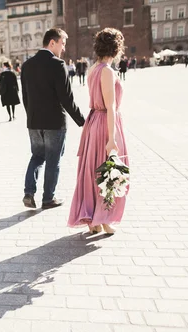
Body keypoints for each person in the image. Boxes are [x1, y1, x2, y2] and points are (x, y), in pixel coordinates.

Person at [68, 28, 129, 235]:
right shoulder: (107, 71)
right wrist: (112, 139)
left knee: (93, 170)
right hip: (104, 122)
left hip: (94, 120)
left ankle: (94, 219)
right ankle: (103, 218)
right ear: (117, 48)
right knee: (108, 169)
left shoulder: (93, 68)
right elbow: (110, 106)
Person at [20, 28, 85, 210]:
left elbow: (25, 97)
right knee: (53, 160)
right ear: (52, 43)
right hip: (54, 123)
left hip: (34, 123)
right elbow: (67, 99)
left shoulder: (27, 65)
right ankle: (48, 198)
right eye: (62, 43)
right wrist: (82, 121)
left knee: (37, 156)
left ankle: (29, 192)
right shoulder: (57, 65)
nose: (63, 48)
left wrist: (31, 117)